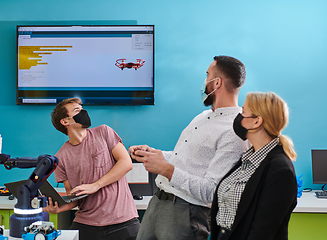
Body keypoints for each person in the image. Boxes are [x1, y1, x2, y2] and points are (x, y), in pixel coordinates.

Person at [129, 55, 250, 240]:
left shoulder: (234, 131)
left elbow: (212, 192)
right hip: (158, 202)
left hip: (186, 213)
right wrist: (156, 154)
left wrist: (166, 170)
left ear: (217, 83)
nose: (204, 82)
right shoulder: (202, 117)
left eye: (207, 75)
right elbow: (186, 159)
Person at [44, 98, 140, 240]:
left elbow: (126, 163)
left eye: (82, 109)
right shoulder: (60, 157)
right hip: (86, 224)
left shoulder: (104, 132)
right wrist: (58, 209)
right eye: (77, 110)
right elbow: (74, 197)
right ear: (65, 121)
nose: (83, 112)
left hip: (123, 221)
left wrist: (95, 186)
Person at [210, 92, 297, 240]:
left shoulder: (280, 170)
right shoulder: (248, 158)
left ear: (257, 122)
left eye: (243, 112)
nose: (237, 117)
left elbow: (262, 231)